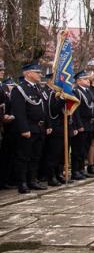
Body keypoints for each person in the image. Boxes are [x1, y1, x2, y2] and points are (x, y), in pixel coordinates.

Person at [11, 63, 51, 193]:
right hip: (28, 128)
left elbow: (43, 108)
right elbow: (19, 111)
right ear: (28, 73)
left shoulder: (38, 88)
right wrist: (24, 129)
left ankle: (32, 180)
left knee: (36, 156)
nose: (40, 75)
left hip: (39, 127)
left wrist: (48, 125)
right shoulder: (20, 89)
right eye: (37, 72)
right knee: (24, 156)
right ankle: (22, 182)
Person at [72, 70, 94, 180]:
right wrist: (79, 125)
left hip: (89, 123)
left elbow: (92, 107)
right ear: (79, 81)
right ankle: (75, 170)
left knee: (85, 149)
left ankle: (82, 169)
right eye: (86, 79)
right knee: (78, 149)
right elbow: (75, 110)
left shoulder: (88, 91)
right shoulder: (76, 91)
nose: (88, 81)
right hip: (81, 123)